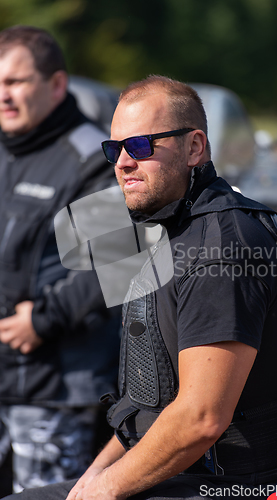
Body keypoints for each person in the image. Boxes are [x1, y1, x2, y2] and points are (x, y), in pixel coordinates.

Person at [5, 75, 277, 500]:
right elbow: (149, 408)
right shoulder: (174, 227)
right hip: (178, 470)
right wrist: (92, 478)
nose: (123, 162)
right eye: (115, 149)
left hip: (225, 486)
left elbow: (199, 418)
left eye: (142, 146)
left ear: (195, 147)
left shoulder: (220, 247)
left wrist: (103, 490)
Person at [0, 26, 121, 494]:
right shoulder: (7, 151)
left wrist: (44, 319)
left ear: (56, 85)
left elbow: (116, 265)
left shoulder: (90, 158)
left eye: (16, 82)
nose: (4, 96)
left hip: (54, 386)